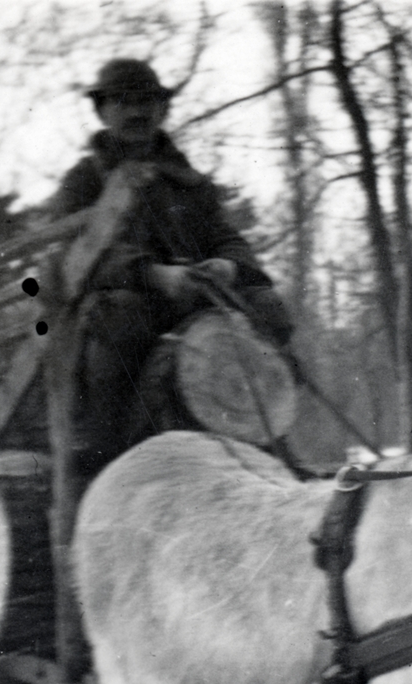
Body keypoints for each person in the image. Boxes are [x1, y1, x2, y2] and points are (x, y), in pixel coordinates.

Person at [48, 57, 294, 478]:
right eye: (123, 102)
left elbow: (226, 237)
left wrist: (226, 267)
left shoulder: (188, 181)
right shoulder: (84, 181)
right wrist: (154, 275)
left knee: (267, 308)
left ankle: (271, 439)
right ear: (102, 111)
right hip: (122, 304)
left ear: (162, 110)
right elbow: (76, 260)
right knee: (121, 315)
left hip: (191, 302)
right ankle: (103, 448)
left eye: (146, 101)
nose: (136, 112)